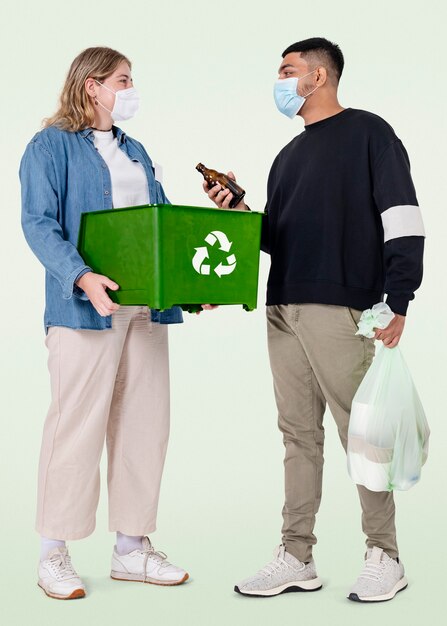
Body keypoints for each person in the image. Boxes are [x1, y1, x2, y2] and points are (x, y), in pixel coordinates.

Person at [203, 37, 425, 602]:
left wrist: (400, 297)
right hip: (283, 306)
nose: (280, 81)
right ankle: (296, 555)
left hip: (340, 306)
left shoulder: (370, 134)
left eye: (288, 70)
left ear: (319, 76)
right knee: (299, 437)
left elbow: (402, 215)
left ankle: (385, 554)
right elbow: (279, 239)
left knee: (361, 434)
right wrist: (241, 211)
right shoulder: (288, 156)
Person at [20, 46, 204, 600]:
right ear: (91, 85)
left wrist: (193, 291)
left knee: (145, 424)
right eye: (122, 80)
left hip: (145, 309)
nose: (130, 89)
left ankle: (132, 549)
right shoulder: (49, 147)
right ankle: (54, 552)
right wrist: (82, 277)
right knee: (76, 425)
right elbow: (38, 223)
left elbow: (160, 224)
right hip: (84, 308)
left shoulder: (136, 151)